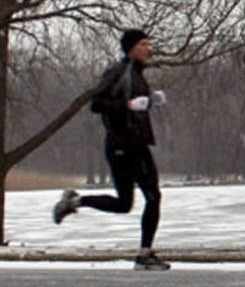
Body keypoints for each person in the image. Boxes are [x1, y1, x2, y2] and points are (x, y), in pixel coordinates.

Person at [53, 29, 171, 271]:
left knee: (131, 202)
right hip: (121, 145)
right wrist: (127, 105)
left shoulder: (137, 74)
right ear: (131, 48)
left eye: (149, 43)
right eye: (143, 44)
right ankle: (144, 255)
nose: (149, 48)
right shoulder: (117, 72)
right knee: (145, 198)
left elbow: (135, 103)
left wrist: (151, 100)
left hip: (137, 143)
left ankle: (75, 202)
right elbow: (97, 104)